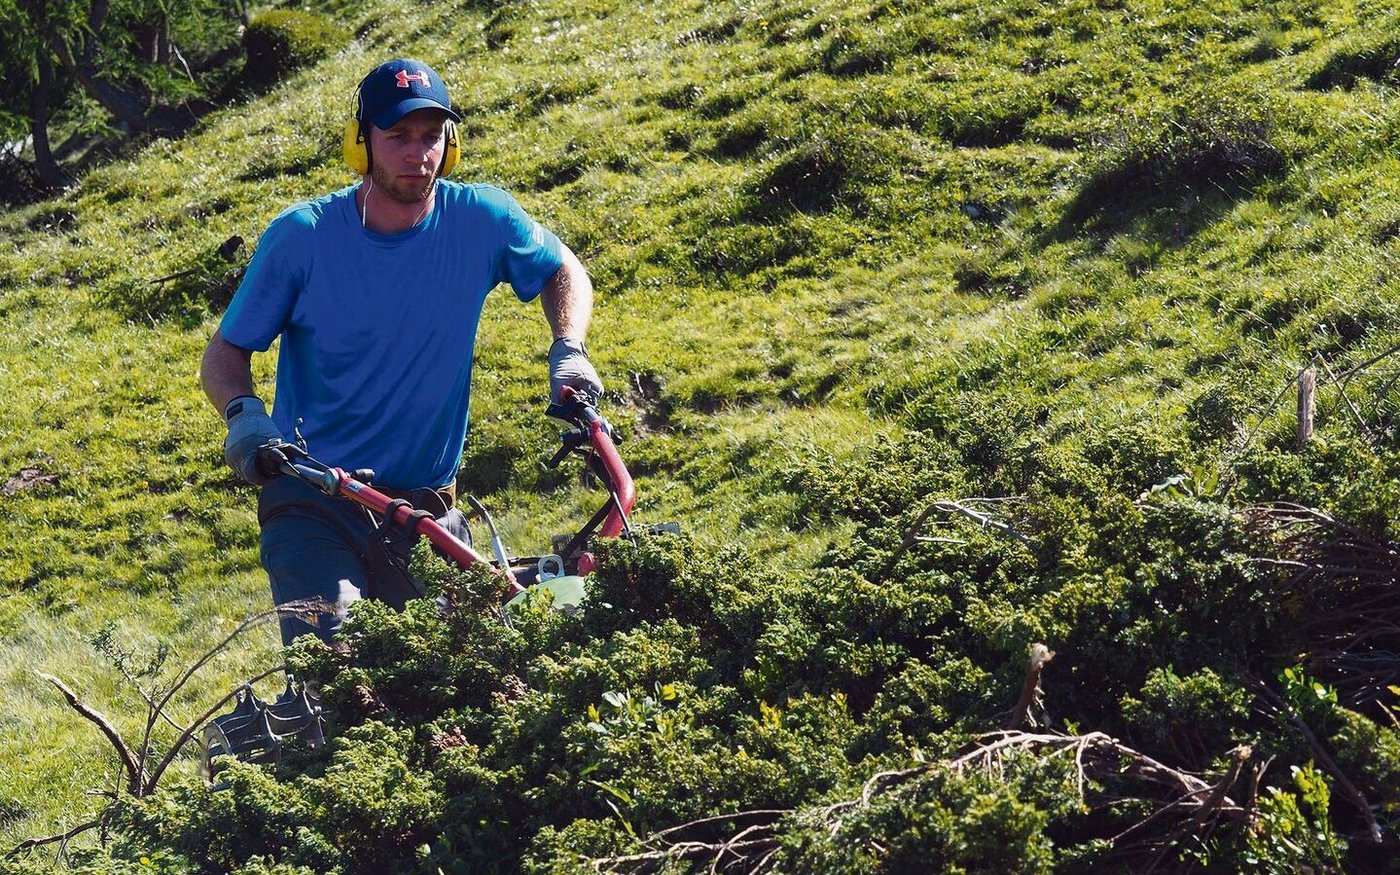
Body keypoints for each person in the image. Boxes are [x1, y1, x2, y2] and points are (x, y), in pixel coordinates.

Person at [200, 58, 603, 645]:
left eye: (431, 137)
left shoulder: (482, 219)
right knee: (340, 661)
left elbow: (562, 268)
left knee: (478, 663)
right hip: (315, 499)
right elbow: (225, 353)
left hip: (427, 509)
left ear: (451, 143)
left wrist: (569, 349)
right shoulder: (304, 237)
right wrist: (244, 418)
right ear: (361, 143)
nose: (418, 154)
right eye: (397, 137)